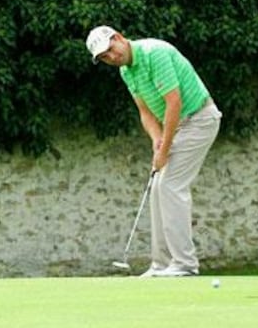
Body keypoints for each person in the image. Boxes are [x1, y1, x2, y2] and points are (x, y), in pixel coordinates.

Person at [86, 25, 222, 277]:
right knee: (158, 187)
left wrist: (165, 148)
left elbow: (174, 102)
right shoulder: (126, 72)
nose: (111, 58)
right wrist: (157, 139)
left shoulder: (153, 53)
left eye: (110, 50)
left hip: (200, 119)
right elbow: (145, 112)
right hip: (179, 126)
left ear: (118, 38)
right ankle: (161, 264)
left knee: (170, 185)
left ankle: (185, 264)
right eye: (104, 58)